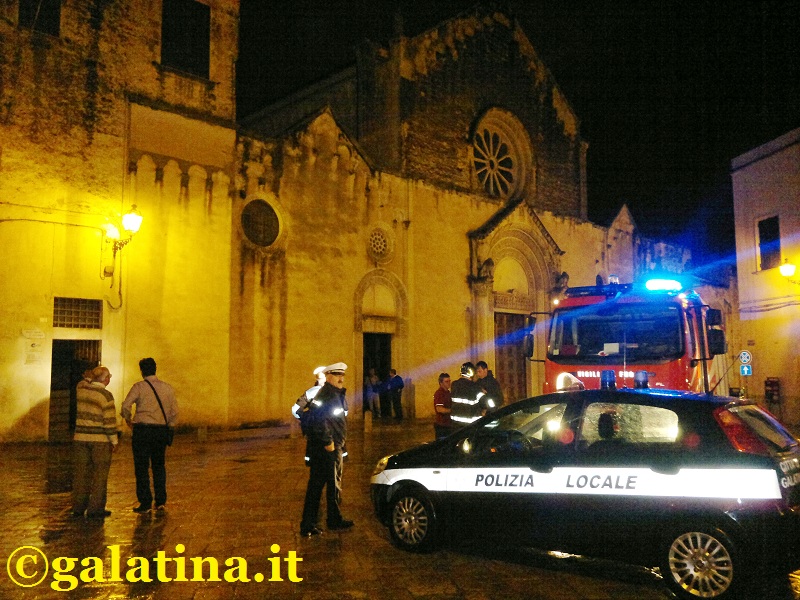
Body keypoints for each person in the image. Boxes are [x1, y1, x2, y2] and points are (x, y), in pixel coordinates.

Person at [299, 362, 353, 537]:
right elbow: (318, 420)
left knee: (327, 485)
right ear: (328, 377)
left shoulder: (335, 394)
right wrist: (328, 442)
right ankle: (312, 524)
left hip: (332, 447)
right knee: (321, 485)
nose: (341, 379)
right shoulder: (327, 394)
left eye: (342, 375)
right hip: (326, 449)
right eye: (337, 375)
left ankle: (330, 519)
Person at [121, 358, 178, 514]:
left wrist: (128, 419)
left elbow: (126, 405)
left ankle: (145, 502)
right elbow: (174, 412)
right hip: (160, 430)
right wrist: (170, 426)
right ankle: (161, 501)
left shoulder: (138, 387)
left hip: (143, 430)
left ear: (142, 371)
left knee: (141, 467)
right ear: (155, 369)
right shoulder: (167, 388)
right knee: (159, 465)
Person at [71, 366, 118, 519]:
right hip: (100, 440)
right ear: (106, 379)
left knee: (81, 474)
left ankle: (78, 507)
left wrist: (89, 377)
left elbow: (83, 381)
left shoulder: (81, 388)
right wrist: (114, 441)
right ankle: (95, 508)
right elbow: (109, 422)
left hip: (80, 438)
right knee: (100, 474)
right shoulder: (106, 395)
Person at [450, 361, 493, 427]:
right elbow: (487, 403)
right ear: (472, 372)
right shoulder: (475, 387)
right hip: (471, 426)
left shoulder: (454, 385)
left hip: (456, 424)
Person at [433, 372, 453, 439]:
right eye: (446, 381)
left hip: (448, 424)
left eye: (449, 381)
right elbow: (439, 409)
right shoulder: (439, 394)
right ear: (441, 383)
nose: (449, 383)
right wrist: (452, 410)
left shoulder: (448, 392)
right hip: (442, 426)